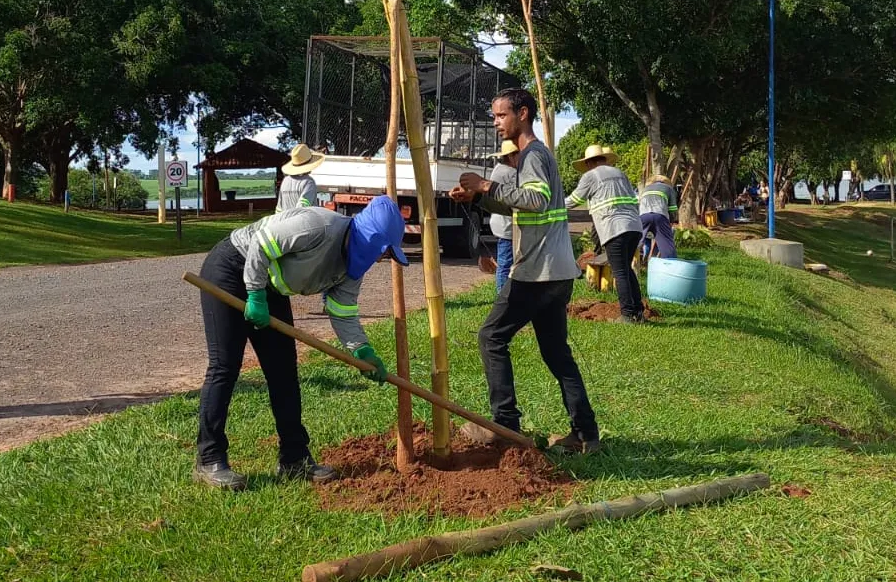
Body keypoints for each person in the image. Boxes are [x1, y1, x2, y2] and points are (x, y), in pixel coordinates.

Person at [194, 195, 405, 490]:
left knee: (283, 371)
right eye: (384, 252)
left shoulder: (353, 267)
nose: (382, 259)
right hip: (231, 269)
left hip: (269, 288)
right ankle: (209, 458)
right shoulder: (318, 226)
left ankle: (294, 459)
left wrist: (362, 350)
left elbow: (342, 311)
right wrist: (254, 293)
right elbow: (263, 243)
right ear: (371, 240)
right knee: (225, 366)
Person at [451, 88, 600, 455]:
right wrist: (480, 198)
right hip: (559, 271)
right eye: (495, 116)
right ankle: (586, 434)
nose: (496, 122)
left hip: (535, 272)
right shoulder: (535, 157)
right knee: (555, 353)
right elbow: (526, 205)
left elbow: (533, 200)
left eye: (501, 115)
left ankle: (504, 426)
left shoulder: (533, 154)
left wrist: (486, 185)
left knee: (490, 337)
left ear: (523, 114)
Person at [566, 145, 645, 323]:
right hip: (634, 226)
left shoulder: (591, 176)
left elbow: (574, 200)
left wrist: (551, 205)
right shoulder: (620, 174)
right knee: (627, 269)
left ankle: (627, 315)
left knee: (620, 272)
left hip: (614, 228)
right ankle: (638, 312)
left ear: (588, 163)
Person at [486, 140, 519, 292]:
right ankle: (502, 295)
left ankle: (505, 294)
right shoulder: (510, 173)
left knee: (506, 262)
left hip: (503, 224)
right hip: (507, 226)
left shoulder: (499, 169)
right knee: (506, 264)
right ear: (512, 156)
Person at [639, 174, 678, 260]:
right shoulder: (668, 189)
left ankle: (634, 258)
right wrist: (671, 221)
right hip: (660, 216)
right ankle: (671, 264)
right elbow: (673, 209)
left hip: (643, 216)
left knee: (637, 240)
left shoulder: (645, 189)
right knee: (667, 243)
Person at [276, 144, 324, 213]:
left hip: (285, 222)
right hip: (302, 222)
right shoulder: (308, 182)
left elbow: (279, 208)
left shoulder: (285, 181)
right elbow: (302, 207)